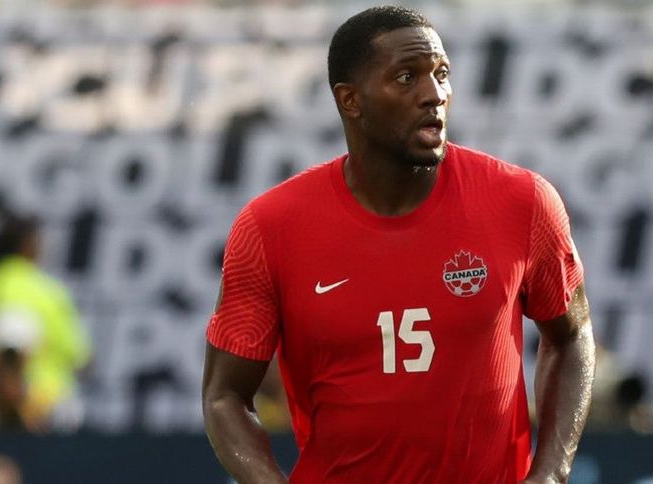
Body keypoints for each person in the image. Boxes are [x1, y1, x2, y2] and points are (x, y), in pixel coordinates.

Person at [202, 6, 595, 483]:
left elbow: (572, 336)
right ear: (351, 100)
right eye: (407, 77)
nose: (435, 94)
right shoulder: (270, 227)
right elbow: (225, 395)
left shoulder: (522, 201)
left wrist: (551, 472)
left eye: (441, 74)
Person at [0, 212, 90, 432]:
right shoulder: (48, 293)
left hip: (38, 411)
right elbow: (81, 361)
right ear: (28, 245)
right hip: (34, 407)